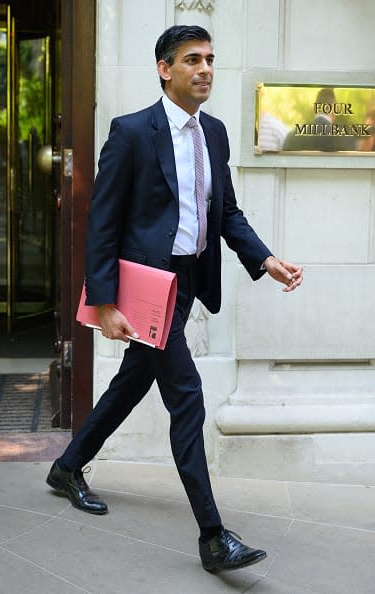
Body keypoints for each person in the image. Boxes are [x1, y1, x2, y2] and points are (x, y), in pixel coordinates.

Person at [46, 25, 303, 573]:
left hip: (186, 284)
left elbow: (226, 211)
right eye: (193, 59)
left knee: (133, 380)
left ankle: (67, 466)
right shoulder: (132, 132)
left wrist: (264, 259)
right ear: (165, 69)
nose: (205, 68)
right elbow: (103, 223)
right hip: (144, 289)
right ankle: (213, 536)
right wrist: (108, 302)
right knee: (185, 395)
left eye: (210, 58)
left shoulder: (214, 133)